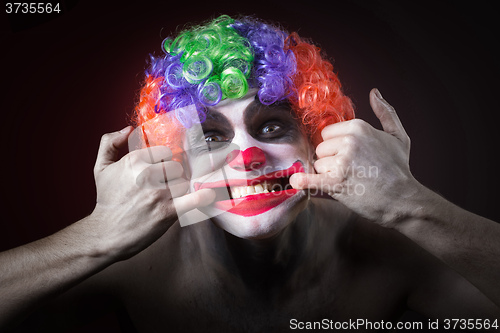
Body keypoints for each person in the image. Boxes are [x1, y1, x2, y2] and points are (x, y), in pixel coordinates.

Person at [1, 15, 499, 332]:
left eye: (273, 125)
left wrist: (411, 204)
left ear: (317, 138)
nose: (248, 154)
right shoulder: (130, 269)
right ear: (176, 158)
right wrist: (95, 237)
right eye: (212, 136)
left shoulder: (397, 254)